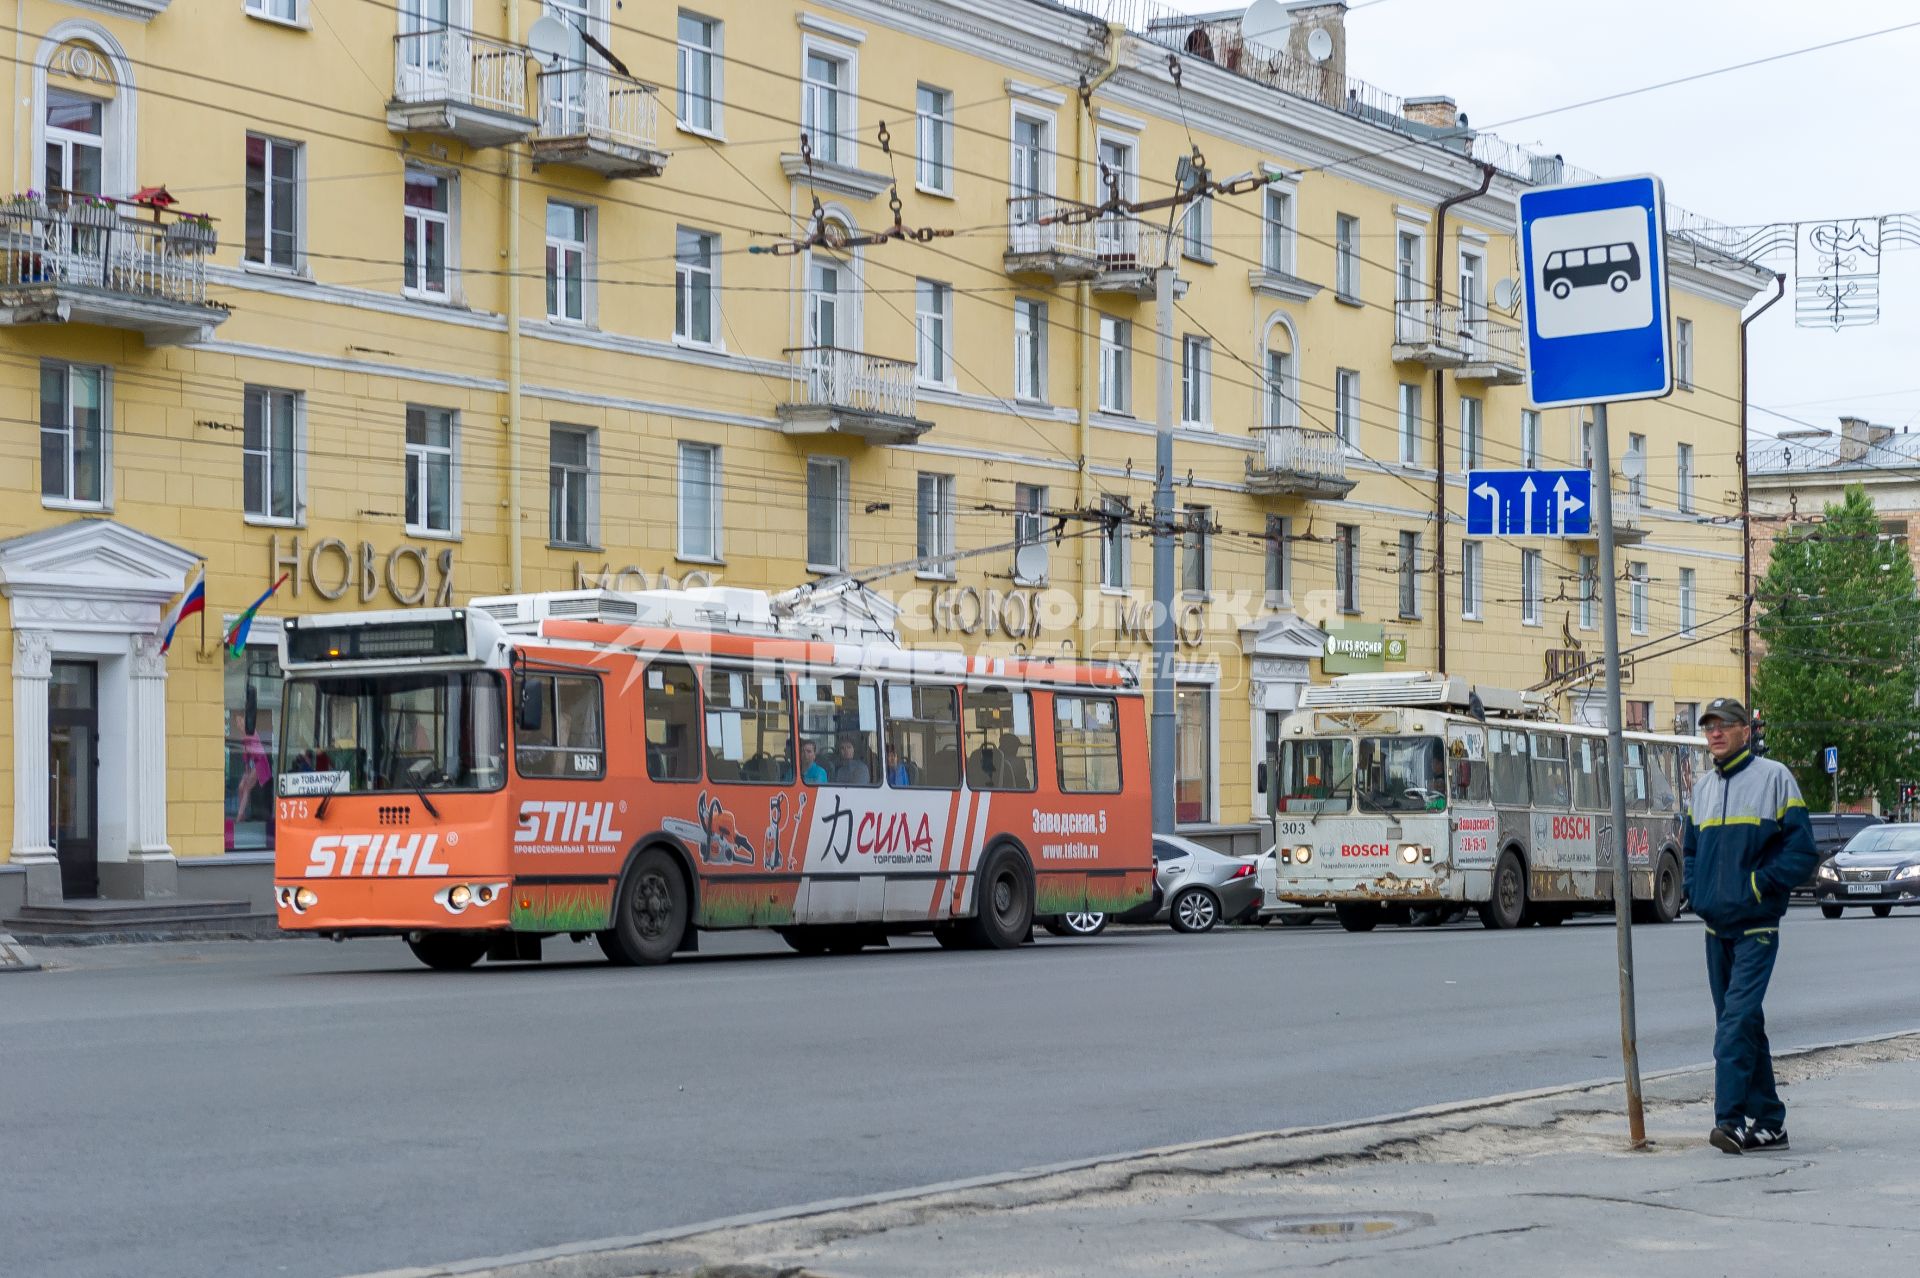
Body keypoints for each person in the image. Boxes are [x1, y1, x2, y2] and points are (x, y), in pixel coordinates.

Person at [1683, 697, 1817, 1156]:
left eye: (1724, 724)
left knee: (1735, 1022)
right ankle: (1771, 1120)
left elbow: (1801, 854)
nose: (1715, 732)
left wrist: (1759, 886)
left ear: (1746, 731)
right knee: (1742, 1023)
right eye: (1709, 726)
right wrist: (1695, 890)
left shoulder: (1775, 778)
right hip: (1715, 927)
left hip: (1757, 925)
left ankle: (1729, 1121)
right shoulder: (1701, 788)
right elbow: (1691, 851)